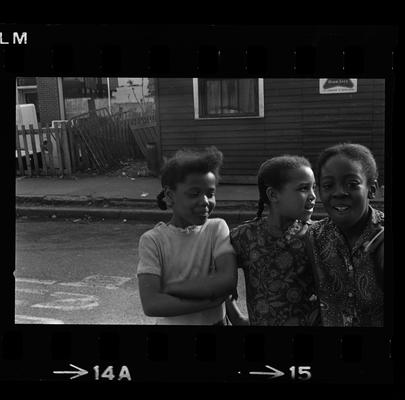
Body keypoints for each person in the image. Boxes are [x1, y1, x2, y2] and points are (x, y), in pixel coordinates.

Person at [136, 146, 238, 325]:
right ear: (170, 195)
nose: (205, 201)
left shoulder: (216, 228)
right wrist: (214, 298)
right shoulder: (153, 240)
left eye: (210, 193)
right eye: (194, 194)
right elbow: (152, 304)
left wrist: (172, 289)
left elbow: (226, 280)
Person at [227, 155, 321, 326]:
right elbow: (219, 279)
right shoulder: (244, 237)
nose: (313, 196)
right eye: (303, 188)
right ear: (273, 194)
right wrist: (237, 318)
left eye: (314, 187)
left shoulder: (316, 235)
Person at [307, 143, 384, 327]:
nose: (339, 193)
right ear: (319, 191)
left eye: (352, 184)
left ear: (372, 189)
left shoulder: (382, 236)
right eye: (328, 185)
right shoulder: (315, 236)